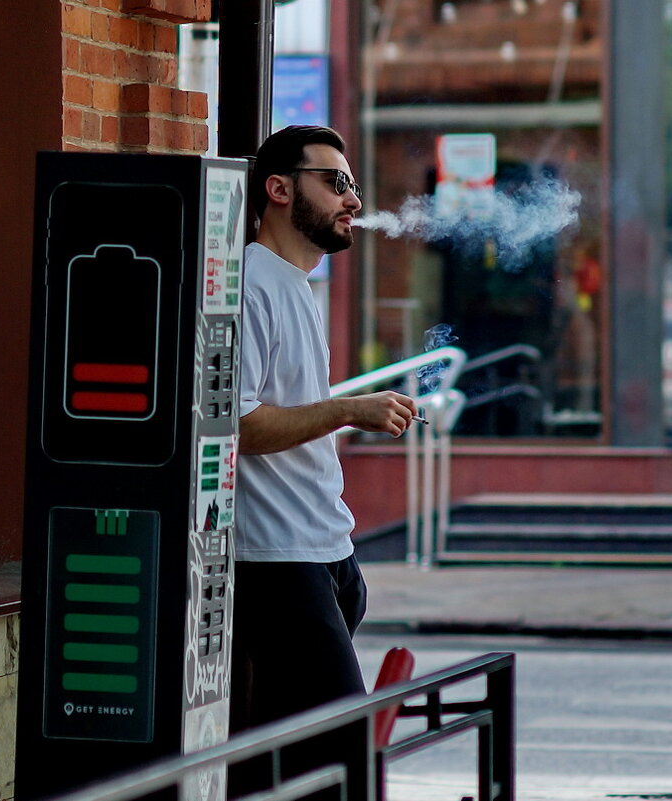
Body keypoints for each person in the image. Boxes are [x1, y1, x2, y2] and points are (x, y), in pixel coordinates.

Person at [230, 125, 419, 789]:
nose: (353, 201)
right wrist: (350, 408)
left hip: (323, 552)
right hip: (279, 561)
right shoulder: (251, 281)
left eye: (355, 187)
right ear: (279, 189)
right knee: (342, 760)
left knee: (285, 758)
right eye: (335, 183)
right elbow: (240, 424)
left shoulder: (297, 285)